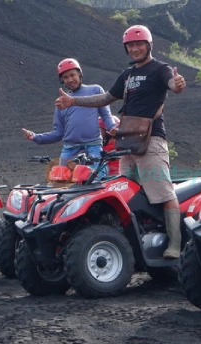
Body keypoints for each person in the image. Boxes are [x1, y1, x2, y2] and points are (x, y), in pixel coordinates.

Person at [55, 25, 187, 259]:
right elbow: (106, 98)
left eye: (139, 44)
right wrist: (74, 101)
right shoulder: (127, 76)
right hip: (127, 142)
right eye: (131, 46)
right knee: (126, 192)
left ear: (149, 45)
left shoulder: (160, 69)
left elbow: (172, 85)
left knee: (163, 191)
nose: (135, 49)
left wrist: (176, 84)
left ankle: (175, 244)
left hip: (151, 138)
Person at [22, 58, 118, 166]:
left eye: (72, 75)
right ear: (62, 80)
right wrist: (35, 137)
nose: (70, 79)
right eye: (65, 77)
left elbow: (106, 115)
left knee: (96, 176)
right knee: (61, 179)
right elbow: (59, 133)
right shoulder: (61, 102)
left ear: (79, 74)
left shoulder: (95, 90)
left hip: (93, 145)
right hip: (70, 148)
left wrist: (112, 127)